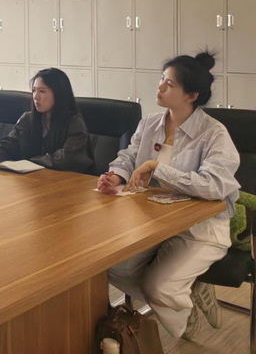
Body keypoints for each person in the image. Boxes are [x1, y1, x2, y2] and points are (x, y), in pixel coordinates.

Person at [98, 52, 239, 340]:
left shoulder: (214, 134)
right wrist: (117, 175)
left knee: (159, 288)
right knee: (114, 269)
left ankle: (182, 317)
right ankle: (184, 296)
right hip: (154, 221)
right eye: (162, 80)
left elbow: (214, 185)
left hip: (201, 227)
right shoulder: (150, 123)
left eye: (170, 84)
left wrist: (158, 168)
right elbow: (129, 156)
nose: (160, 87)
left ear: (191, 95)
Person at [0, 67, 93, 173]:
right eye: (34, 90)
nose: (35, 96)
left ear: (59, 94)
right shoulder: (27, 119)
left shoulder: (74, 122)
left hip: (69, 181)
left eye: (42, 91)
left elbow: (66, 159)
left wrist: (29, 162)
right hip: (34, 180)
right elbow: (9, 145)